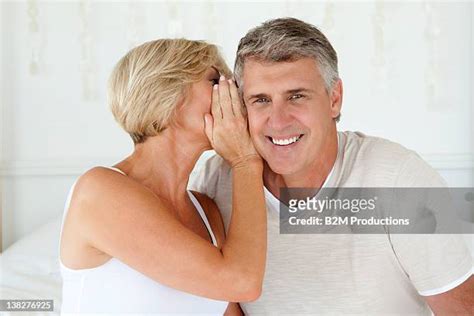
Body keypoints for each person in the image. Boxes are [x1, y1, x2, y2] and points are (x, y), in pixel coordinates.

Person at [191, 18, 474, 314]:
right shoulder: (215, 181)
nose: (278, 120)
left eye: (296, 96)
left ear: (334, 99)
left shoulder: (400, 180)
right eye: (260, 100)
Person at [59, 39, 266, 314]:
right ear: (169, 95)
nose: (233, 95)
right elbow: (242, 282)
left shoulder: (207, 212)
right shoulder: (99, 191)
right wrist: (245, 160)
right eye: (215, 81)